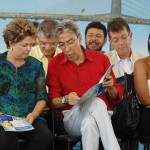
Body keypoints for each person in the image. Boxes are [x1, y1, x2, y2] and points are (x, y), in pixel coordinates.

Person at [46, 19, 124, 150]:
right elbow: (53, 102)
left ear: (79, 38)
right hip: (72, 117)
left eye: (70, 42)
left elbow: (116, 96)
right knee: (97, 102)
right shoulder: (55, 64)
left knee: (89, 123)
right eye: (62, 44)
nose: (67, 49)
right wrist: (65, 99)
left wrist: (110, 86)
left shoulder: (101, 59)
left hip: (102, 116)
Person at [0, 18, 53, 150]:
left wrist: (34, 114)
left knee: (45, 137)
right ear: (11, 43)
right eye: (24, 45)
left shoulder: (36, 65)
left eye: (31, 44)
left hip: (31, 118)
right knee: (5, 140)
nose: (29, 49)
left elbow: (42, 97)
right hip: (3, 119)